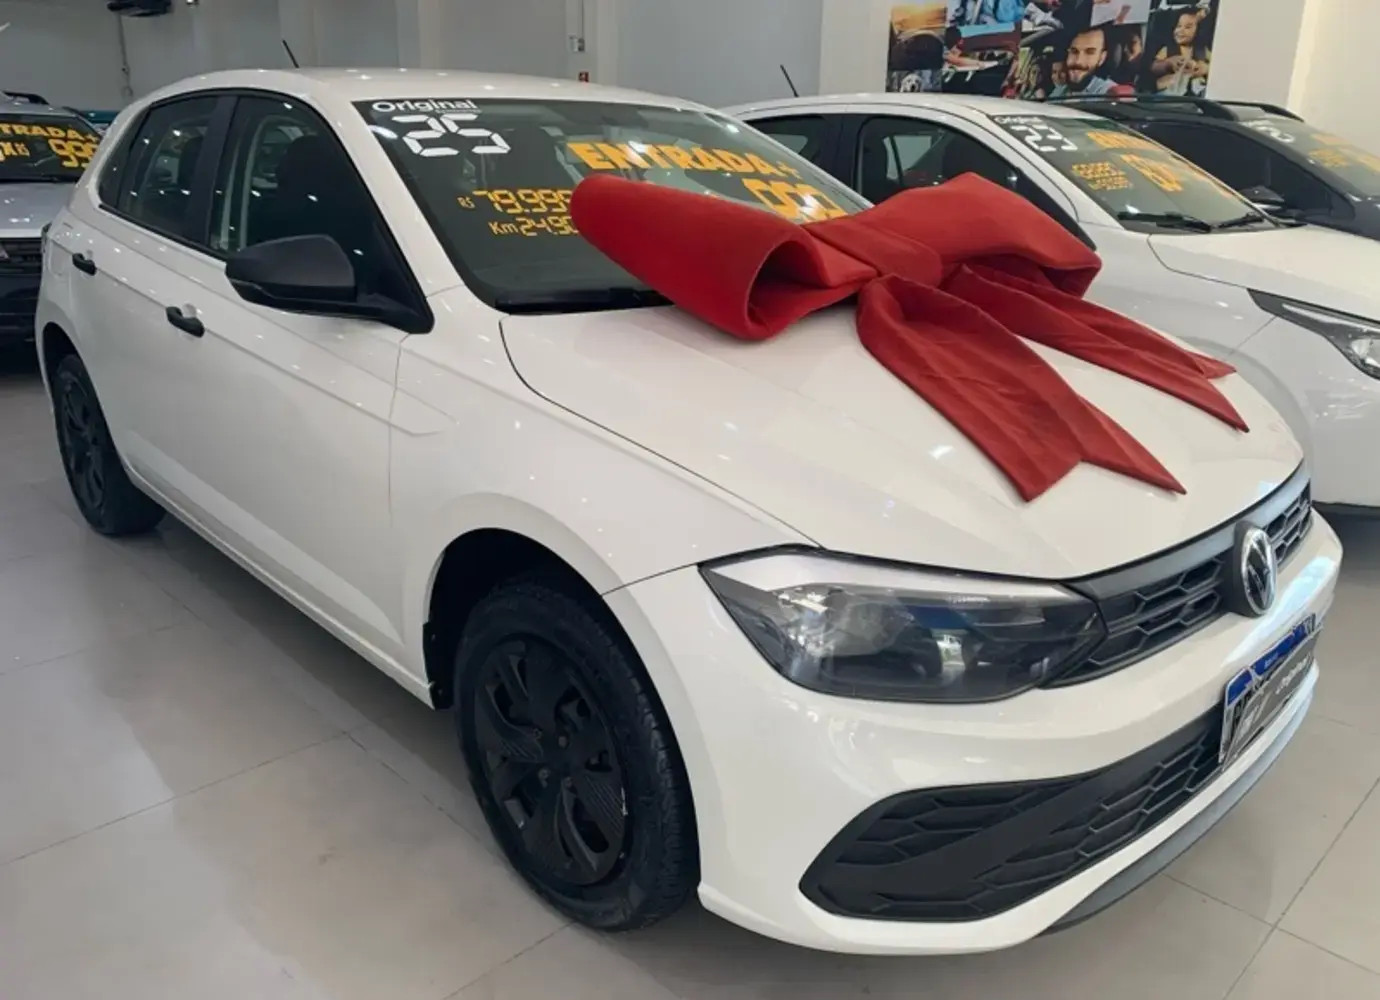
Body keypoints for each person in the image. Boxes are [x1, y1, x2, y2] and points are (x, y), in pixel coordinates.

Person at [1151, 9, 1210, 94]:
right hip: (1171, 89)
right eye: (1178, 26)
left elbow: (1216, 65)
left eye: (1187, 27)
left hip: (1194, 91)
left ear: (1198, 31)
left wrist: (1205, 68)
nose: (1181, 30)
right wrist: (1168, 64)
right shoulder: (1168, 49)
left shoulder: (1201, 50)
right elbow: (1154, 66)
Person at [1048, 26, 1117, 95]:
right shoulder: (1061, 90)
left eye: (1089, 52)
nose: (1078, 61)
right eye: (1074, 51)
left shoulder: (1110, 93)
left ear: (1102, 58)